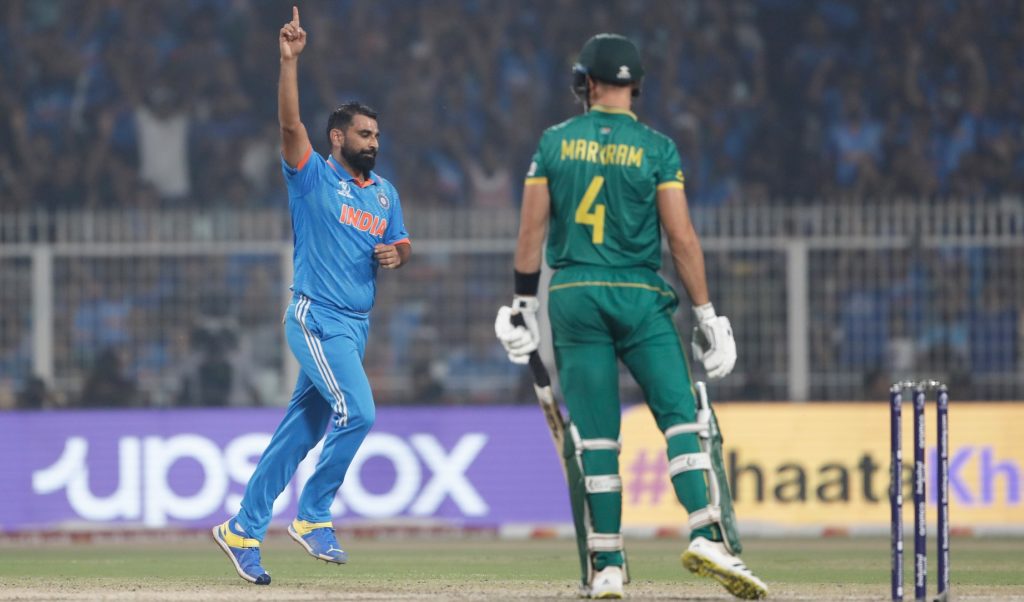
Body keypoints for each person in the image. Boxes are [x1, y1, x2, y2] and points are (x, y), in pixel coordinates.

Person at [494, 34, 767, 599]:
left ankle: (608, 567)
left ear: (588, 83)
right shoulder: (657, 148)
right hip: (641, 293)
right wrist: (708, 314)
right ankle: (707, 534)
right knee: (683, 417)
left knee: (595, 440)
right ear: (634, 85)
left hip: (574, 293)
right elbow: (682, 237)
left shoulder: (553, 143)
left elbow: (530, 232)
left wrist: (523, 304)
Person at [212, 6, 410, 585]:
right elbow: (289, 125)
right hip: (316, 317)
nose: (374, 141)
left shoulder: (385, 193)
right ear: (338, 137)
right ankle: (314, 515)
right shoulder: (312, 177)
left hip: (356, 325)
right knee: (360, 412)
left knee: (298, 432)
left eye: (377, 135)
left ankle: (242, 529)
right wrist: (289, 61)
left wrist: (399, 254)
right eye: (364, 134)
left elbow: (401, 245)